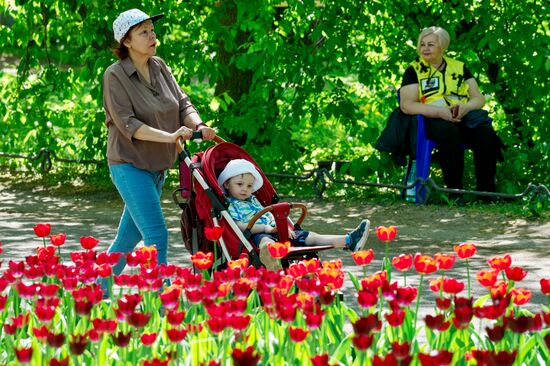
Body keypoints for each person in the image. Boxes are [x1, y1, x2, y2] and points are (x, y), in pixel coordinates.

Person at [101, 9, 217, 287]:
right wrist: (170, 137)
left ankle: (94, 291)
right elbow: (128, 124)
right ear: (126, 41)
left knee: (128, 238)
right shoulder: (114, 76)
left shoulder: (160, 66)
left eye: (152, 30)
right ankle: (160, 305)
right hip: (129, 164)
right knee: (156, 234)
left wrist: (199, 125)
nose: (152, 36)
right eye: (144, 32)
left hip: (157, 166)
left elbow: (182, 103)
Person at [399, 26, 502, 197]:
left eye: (430, 44)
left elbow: (479, 98)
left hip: (462, 116)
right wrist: (439, 113)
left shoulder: (459, 67)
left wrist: (466, 107)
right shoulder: (414, 70)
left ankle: (487, 193)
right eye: (422, 44)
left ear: (443, 47)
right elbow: (406, 105)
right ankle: (454, 193)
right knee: (449, 132)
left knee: (486, 133)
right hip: (432, 119)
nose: (425, 48)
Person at [217, 159, 370, 270]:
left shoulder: (254, 200)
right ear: (226, 184)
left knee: (311, 237)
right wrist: (266, 229)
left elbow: (269, 215)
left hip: (279, 231)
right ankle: (271, 260)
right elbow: (239, 226)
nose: (245, 189)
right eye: (239, 184)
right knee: (265, 241)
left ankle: (349, 240)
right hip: (257, 234)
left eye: (249, 186)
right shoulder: (230, 204)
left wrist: (280, 227)